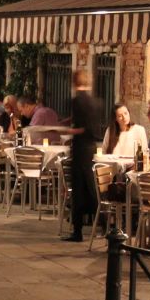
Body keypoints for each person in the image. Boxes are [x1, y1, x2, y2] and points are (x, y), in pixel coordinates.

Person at [63, 70, 104, 242]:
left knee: (79, 190)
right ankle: (103, 223)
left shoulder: (76, 101)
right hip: (92, 148)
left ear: (73, 82)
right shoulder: (97, 102)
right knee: (92, 188)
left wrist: (68, 130)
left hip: (80, 149)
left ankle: (78, 230)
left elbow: (82, 128)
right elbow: (90, 123)